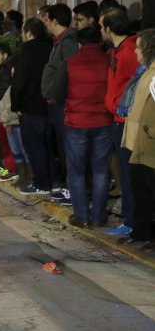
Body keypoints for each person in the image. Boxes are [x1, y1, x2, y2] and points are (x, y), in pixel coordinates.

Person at [63, 26, 112, 228]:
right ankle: (99, 217)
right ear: (99, 41)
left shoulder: (70, 63)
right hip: (103, 121)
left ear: (79, 44)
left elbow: (56, 91)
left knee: (76, 171)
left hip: (76, 122)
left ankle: (81, 217)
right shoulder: (109, 61)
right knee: (101, 170)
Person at [100, 7, 140, 236]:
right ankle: (129, 220)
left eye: (101, 26)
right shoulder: (117, 51)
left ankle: (132, 223)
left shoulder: (129, 52)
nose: (99, 30)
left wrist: (117, 105)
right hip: (117, 118)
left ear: (109, 28)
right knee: (124, 173)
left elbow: (135, 87)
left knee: (128, 174)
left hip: (126, 121)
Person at [119, 29, 155, 248]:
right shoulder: (145, 71)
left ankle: (146, 235)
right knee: (140, 191)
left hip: (148, 144)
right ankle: (141, 234)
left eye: (139, 46)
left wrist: (150, 130)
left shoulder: (152, 73)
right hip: (138, 141)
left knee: (148, 192)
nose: (135, 51)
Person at [11, 18, 55, 195]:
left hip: (30, 106)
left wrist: (16, 105)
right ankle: (54, 182)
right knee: (48, 146)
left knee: (34, 146)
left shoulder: (26, 52)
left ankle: (42, 183)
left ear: (28, 33)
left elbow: (19, 82)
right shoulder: (50, 48)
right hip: (49, 105)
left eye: (23, 32)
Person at [41, 3, 78, 203]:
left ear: (54, 21)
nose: (45, 24)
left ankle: (73, 189)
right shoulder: (59, 42)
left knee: (67, 148)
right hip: (56, 104)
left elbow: (71, 73)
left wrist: (59, 96)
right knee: (62, 148)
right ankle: (68, 186)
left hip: (63, 105)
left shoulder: (68, 42)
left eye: (47, 20)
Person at [0, 43, 19, 182]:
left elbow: (4, 92)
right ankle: (6, 169)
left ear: (5, 56)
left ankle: (11, 170)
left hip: (5, 113)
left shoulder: (7, 70)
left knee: (8, 143)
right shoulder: (2, 70)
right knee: (4, 143)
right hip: (0, 112)